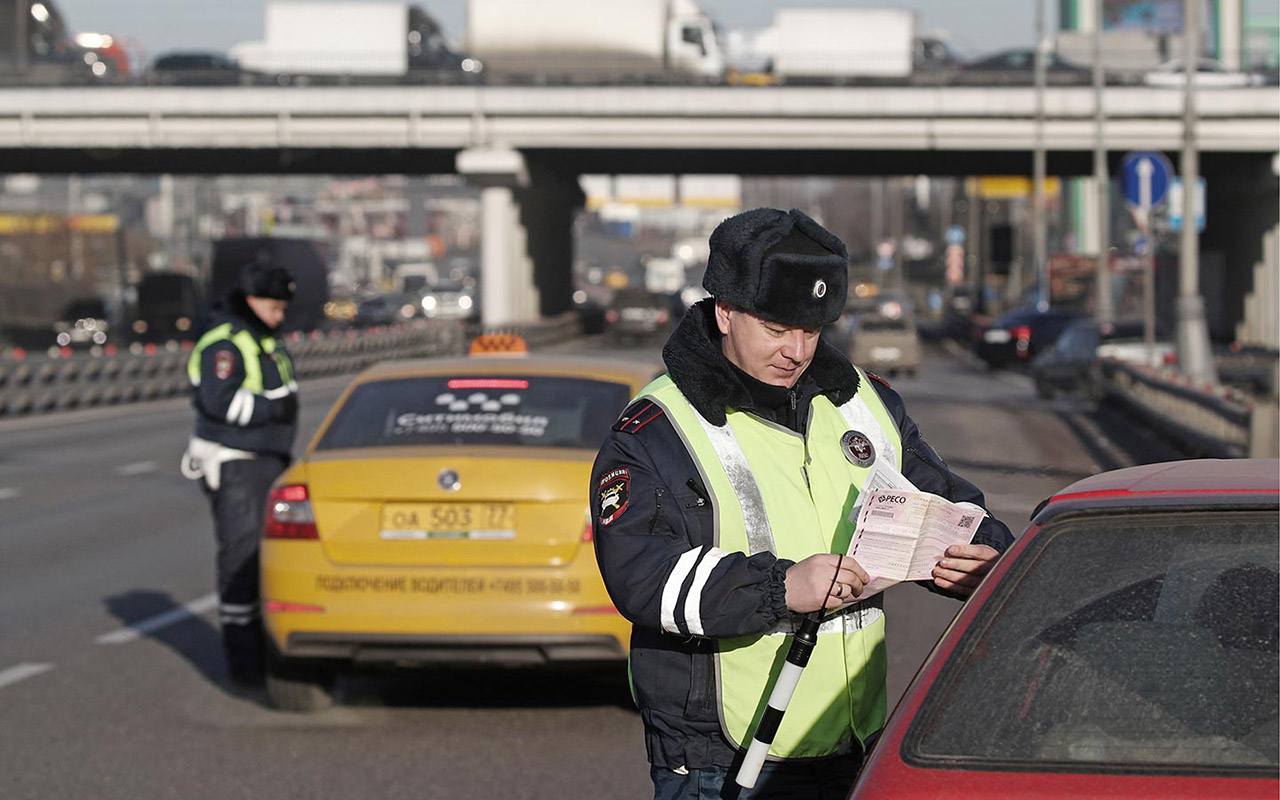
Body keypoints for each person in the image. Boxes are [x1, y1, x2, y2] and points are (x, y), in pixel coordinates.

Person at [589, 208, 1014, 799]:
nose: (796, 350)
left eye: (811, 331)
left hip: (854, 741)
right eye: (776, 329)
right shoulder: (658, 427)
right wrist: (782, 587)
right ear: (725, 312)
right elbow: (642, 576)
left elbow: (945, 502)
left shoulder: (864, 404)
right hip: (721, 757)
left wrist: (986, 558)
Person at [181, 259, 299, 687]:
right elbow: (221, 402)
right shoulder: (226, 342)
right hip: (237, 462)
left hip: (265, 458)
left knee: (266, 560)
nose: (279, 316)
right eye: (274, 307)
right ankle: (245, 667)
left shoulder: (261, 337)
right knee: (242, 562)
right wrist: (274, 409)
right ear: (251, 300)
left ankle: (264, 657)